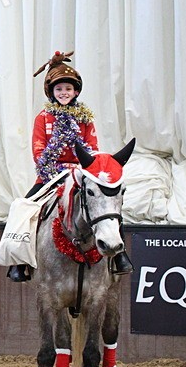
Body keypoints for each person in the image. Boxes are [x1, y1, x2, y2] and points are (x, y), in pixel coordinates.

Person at [8, 51, 130, 281]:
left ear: (76, 92)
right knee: (23, 207)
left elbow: (92, 148)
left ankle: (119, 256)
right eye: (59, 89)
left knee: (107, 203)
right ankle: (19, 261)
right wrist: (53, 170)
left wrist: (84, 169)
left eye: (68, 89)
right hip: (50, 175)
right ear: (52, 93)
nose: (64, 93)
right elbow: (38, 150)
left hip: (80, 173)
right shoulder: (43, 118)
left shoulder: (85, 117)